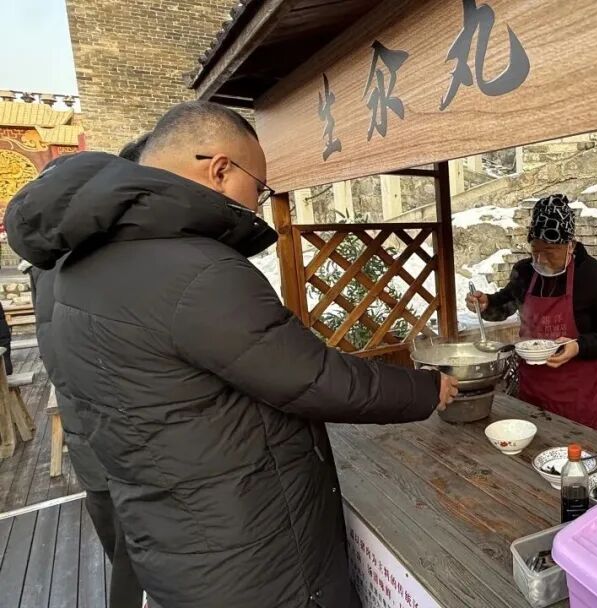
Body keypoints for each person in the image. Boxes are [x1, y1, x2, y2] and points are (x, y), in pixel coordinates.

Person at [4, 101, 458, 608]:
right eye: (258, 188)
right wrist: (425, 387)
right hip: (249, 552)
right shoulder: (195, 269)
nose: (258, 206)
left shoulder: (75, 266)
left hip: (174, 534)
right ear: (220, 169)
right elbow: (313, 377)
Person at [23, 133, 151, 608]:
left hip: (92, 445)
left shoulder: (49, 257)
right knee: (148, 564)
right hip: (132, 449)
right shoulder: (107, 256)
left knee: (130, 564)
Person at [467, 194, 597, 433]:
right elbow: (505, 304)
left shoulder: (596, 278)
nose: (541, 259)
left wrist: (579, 346)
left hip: (579, 398)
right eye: (536, 249)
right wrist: (486, 304)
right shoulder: (525, 272)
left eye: (550, 251)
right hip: (533, 393)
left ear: (570, 245)